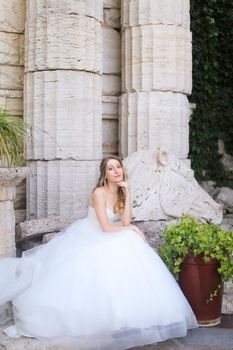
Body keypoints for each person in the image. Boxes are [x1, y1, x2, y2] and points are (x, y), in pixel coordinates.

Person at [0, 156, 198, 349]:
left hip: (109, 233)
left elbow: (126, 221)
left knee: (130, 238)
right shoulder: (99, 193)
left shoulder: (120, 192)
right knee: (128, 237)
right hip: (92, 234)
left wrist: (128, 194)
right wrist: (132, 229)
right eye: (110, 168)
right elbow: (105, 227)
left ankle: (133, 313)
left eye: (118, 167)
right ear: (104, 173)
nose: (116, 171)